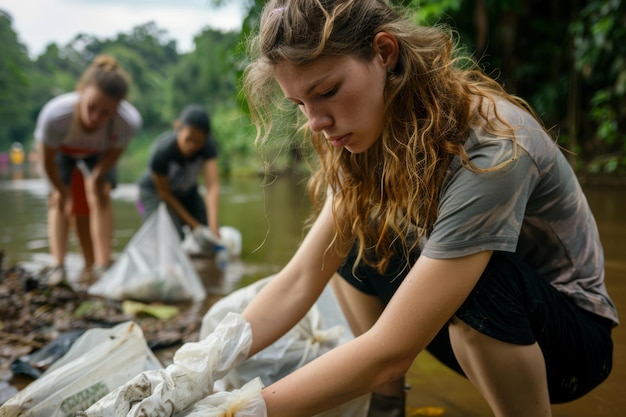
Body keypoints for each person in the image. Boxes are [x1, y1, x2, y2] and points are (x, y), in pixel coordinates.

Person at [81, 1, 617, 417]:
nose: (316, 121)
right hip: (476, 323)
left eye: (328, 91)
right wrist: (195, 369)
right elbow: (297, 281)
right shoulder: (365, 135)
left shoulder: (491, 147)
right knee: (356, 239)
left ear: (384, 53)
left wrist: (242, 409)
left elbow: (391, 346)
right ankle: (389, 404)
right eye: (300, 105)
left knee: (482, 280)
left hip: (570, 343)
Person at [35, 54, 142, 285]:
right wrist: (60, 189)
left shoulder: (127, 121)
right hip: (61, 152)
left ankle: (103, 266)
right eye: (91, 107)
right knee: (59, 199)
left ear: (117, 109)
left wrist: (96, 177)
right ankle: (58, 266)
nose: (95, 117)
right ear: (81, 92)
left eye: (105, 113)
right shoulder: (55, 115)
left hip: (98, 154)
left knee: (100, 193)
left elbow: (114, 154)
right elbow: (47, 160)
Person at [137, 104, 221, 241]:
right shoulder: (162, 152)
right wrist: (194, 226)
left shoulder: (208, 146)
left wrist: (212, 225)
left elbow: (212, 187)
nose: (192, 146)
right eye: (188, 140)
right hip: (155, 192)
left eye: (198, 142)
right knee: (171, 233)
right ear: (178, 129)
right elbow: (165, 194)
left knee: (210, 231)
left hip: (186, 190)